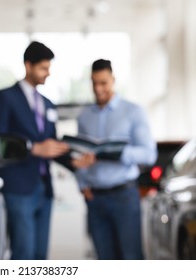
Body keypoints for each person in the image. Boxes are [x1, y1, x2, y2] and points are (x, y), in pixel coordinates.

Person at [0, 41, 85, 260]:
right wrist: (32, 148)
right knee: (24, 253)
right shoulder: (5, 97)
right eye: (43, 68)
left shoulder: (48, 104)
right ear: (28, 65)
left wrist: (74, 162)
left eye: (49, 68)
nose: (48, 73)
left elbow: (50, 146)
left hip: (45, 189)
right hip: (19, 187)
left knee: (41, 255)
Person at [76, 59, 157, 260]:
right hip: (95, 199)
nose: (98, 88)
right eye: (94, 83)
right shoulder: (84, 117)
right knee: (104, 259)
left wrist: (119, 152)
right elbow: (80, 154)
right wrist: (82, 183)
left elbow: (149, 154)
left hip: (124, 195)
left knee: (130, 257)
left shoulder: (133, 112)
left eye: (103, 83)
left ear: (113, 80)